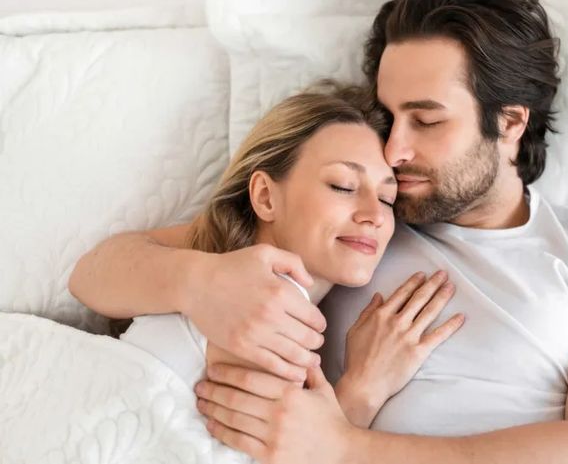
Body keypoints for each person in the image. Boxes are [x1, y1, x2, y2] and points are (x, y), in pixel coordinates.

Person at [69, 0, 568, 464]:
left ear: (510, 122)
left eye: (427, 120)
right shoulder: (354, 226)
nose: (395, 149)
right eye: (388, 116)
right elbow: (99, 272)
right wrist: (200, 282)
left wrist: (346, 448)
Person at [100, 83, 464, 428]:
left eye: (387, 198)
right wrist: (363, 392)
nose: (375, 215)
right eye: (343, 186)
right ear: (265, 197)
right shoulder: (251, 317)